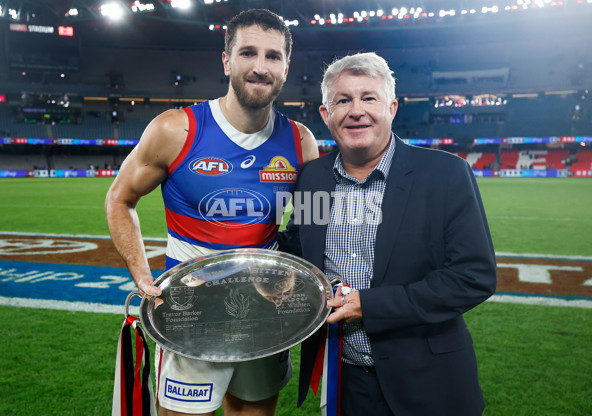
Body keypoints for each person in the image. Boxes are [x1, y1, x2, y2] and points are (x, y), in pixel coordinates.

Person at [105, 9, 319, 416]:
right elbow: (119, 198)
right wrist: (140, 271)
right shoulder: (176, 130)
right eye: (248, 53)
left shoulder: (300, 142)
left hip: (263, 313)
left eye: (273, 56)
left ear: (286, 67)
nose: (260, 67)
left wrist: (300, 276)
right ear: (226, 60)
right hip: (190, 309)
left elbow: (310, 224)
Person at [280, 52, 497, 415]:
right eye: (343, 100)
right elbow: (298, 248)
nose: (356, 110)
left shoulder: (445, 174)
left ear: (392, 107)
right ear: (325, 114)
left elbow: (474, 277)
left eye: (369, 98)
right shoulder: (313, 178)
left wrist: (370, 305)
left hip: (430, 382)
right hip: (345, 383)